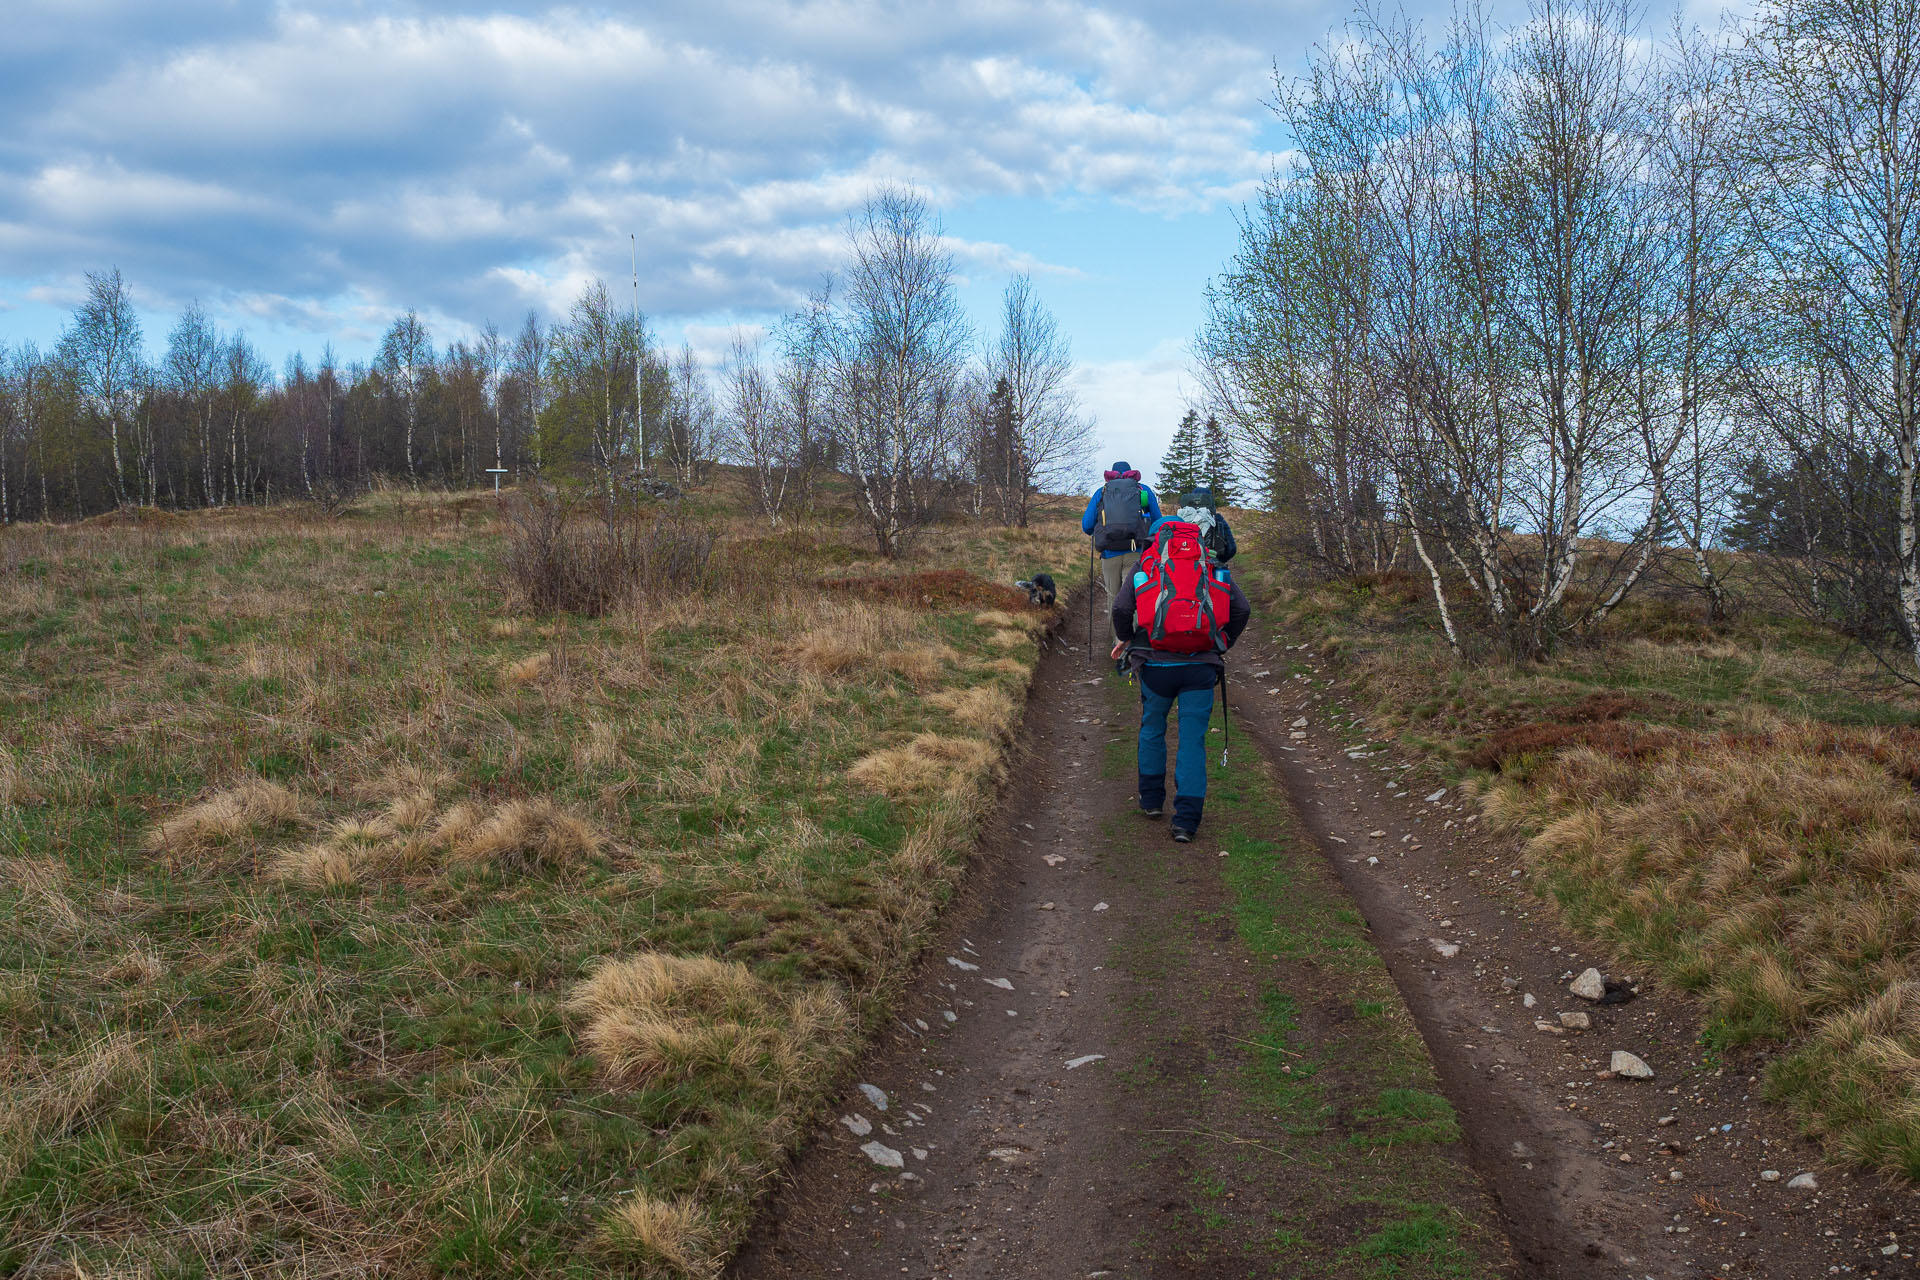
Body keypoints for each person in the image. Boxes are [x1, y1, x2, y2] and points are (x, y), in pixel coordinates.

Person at [1111, 515, 1250, 842]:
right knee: (1192, 740)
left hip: (1155, 664)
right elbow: (1241, 609)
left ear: (1157, 541)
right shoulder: (1209, 565)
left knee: (1153, 727)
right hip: (1200, 666)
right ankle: (1186, 821)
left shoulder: (1146, 564)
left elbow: (1120, 608)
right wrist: (1223, 642)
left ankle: (1151, 801)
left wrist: (1129, 638)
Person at [1081, 461, 1162, 663]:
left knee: (1114, 598)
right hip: (1137, 554)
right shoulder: (1143, 492)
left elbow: (1086, 525)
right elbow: (1159, 522)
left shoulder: (1102, 491)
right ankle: (1137, 644)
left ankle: (1118, 643)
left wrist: (1101, 531)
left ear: (1113, 474)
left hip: (1109, 554)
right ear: (1131, 474)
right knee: (1137, 597)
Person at [1177, 486, 1236, 564]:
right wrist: (1219, 561)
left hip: (1185, 567)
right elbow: (1231, 549)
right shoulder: (1217, 519)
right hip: (1211, 566)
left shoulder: (1180, 518)